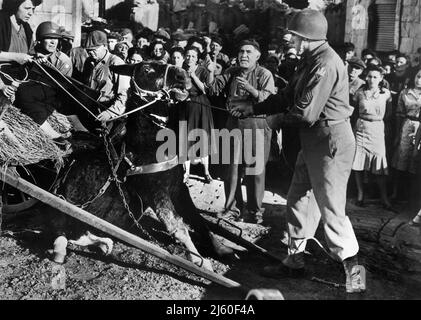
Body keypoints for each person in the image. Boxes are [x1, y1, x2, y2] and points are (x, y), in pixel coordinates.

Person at [230, 10, 364, 293]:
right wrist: (253, 108)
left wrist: (271, 119)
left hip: (331, 142)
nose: (288, 38)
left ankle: (357, 280)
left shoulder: (326, 63)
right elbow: (286, 96)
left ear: (307, 37)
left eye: (293, 34)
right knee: (298, 201)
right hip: (314, 141)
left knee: (332, 211)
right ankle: (294, 262)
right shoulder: (309, 60)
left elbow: (304, 114)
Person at [207, 39, 276, 224]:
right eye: (241, 52)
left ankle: (254, 212)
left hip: (257, 127)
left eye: (248, 52)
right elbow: (212, 90)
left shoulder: (264, 74)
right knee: (231, 170)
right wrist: (211, 71)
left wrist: (251, 89)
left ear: (257, 55)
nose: (243, 55)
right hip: (234, 125)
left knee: (255, 171)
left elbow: (267, 100)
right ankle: (232, 209)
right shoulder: (231, 72)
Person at [15, 21, 72, 141]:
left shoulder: (63, 61)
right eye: (49, 38)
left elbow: (61, 90)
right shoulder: (28, 54)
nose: (53, 42)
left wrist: (47, 68)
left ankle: (54, 135)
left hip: (51, 98)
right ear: (39, 40)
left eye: (56, 39)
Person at [351, 65, 393, 210]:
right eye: (369, 76)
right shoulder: (360, 92)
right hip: (361, 128)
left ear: (381, 78)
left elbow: (389, 114)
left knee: (380, 163)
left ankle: (384, 198)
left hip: (377, 128)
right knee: (358, 162)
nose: (371, 79)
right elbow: (354, 111)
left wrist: (381, 125)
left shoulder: (386, 93)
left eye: (375, 77)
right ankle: (360, 195)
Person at [179, 46, 215, 185]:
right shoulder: (180, 69)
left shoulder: (202, 70)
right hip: (185, 105)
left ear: (198, 58)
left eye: (193, 56)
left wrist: (193, 75)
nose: (190, 58)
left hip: (201, 106)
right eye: (188, 55)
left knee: (203, 139)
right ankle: (186, 173)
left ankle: (206, 172)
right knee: (185, 139)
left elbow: (205, 90)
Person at [81, 30, 131, 125]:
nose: (90, 53)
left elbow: (125, 94)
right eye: (88, 50)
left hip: (110, 115)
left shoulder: (116, 63)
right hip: (91, 111)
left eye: (94, 50)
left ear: (104, 46)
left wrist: (110, 113)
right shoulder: (89, 62)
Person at [0, 0, 42, 100]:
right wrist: (16, 57)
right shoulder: (1, 21)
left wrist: (36, 57)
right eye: (27, 8)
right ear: (14, 5)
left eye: (33, 9)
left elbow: (30, 53)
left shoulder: (27, 28)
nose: (31, 13)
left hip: (19, 79)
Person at [391, 67, 421, 202]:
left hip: (420, 126)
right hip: (407, 125)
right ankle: (396, 192)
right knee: (401, 159)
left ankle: (412, 195)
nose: (419, 80)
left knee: (415, 161)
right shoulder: (405, 92)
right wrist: (398, 133)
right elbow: (399, 114)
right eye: (418, 76)